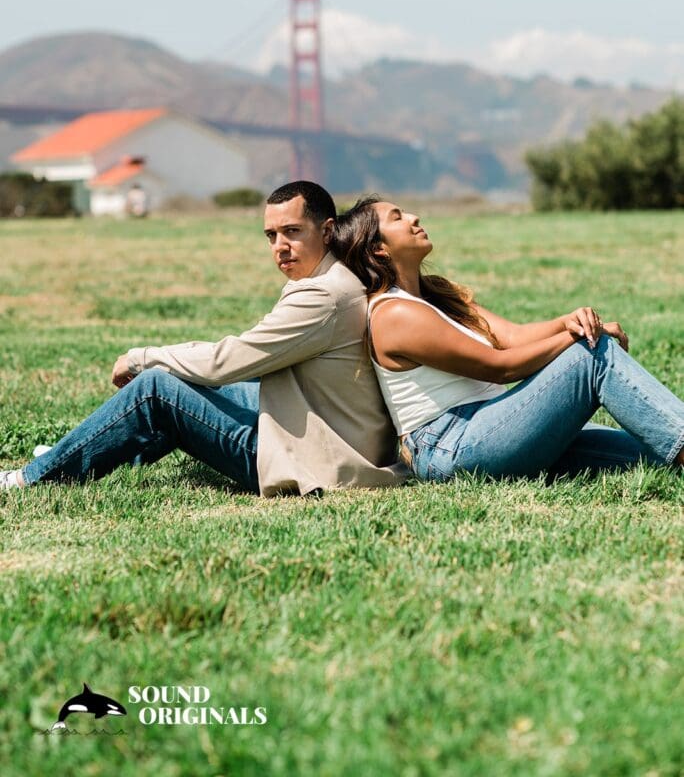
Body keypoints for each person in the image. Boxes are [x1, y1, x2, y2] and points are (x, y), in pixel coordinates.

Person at [0, 182, 407, 496]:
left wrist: (143, 357)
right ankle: (78, 455)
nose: (280, 247)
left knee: (157, 388)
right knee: (189, 378)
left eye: (292, 232)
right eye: (270, 236)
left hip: (315, 460)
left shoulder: (323, 295)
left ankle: (30, 478)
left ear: (327, 229)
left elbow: (224, 362)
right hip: (328, 429)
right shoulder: (335, 278)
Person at [331, 197, 684, 482]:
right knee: (593, 354)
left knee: (657, 450)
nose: (413, 216)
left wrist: (567, 321)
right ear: (378, 249)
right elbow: (500, 368)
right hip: (453, 446)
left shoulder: (434, 293)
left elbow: (511, 338)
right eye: (397, 218)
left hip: (495, 427)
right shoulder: (395, 314)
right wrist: (579, 337)